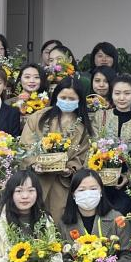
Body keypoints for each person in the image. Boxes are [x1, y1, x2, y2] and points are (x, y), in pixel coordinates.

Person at [19, 77, 95, 218]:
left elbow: (82, 155)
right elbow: (26, 145)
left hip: (62, 184)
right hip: (36, 181)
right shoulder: (39, 117)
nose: (67, 101)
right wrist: (34, 163)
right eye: (63, 97)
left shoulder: (82, 127)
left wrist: (70, 168)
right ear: (56, 96)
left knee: (58, 220)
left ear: (79, 101)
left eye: (72, 99)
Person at [93, 74, 131, 141]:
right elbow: (92, 141)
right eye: (117, 93)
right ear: (111, 94)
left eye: (127, 93)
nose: (121, 98)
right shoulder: (100, 116)